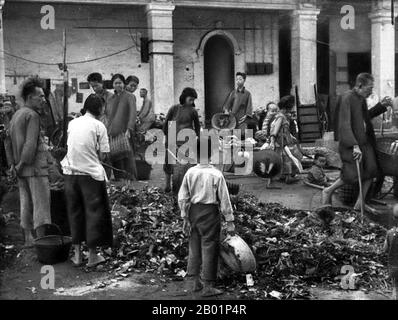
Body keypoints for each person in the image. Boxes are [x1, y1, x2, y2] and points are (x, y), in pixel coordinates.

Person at [322, 73, 392, 213]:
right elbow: (344, 124)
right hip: (351, 144)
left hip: (364, 142)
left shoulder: (360, 99)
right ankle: (327, 191)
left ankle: (360, 203)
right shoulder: (347, 98)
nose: (371, 91)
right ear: (360, 85)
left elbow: (365, 118)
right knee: (351, 174)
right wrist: (354, 145)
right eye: (369, 88)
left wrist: (381, 106)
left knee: (371, 170)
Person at [178, 137, 235, 297]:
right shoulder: (216, 174)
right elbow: (225, 199)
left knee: (194, 246)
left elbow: (183, 197)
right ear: (212, 154)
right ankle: (208, 285)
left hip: (194, 212)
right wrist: (230, 221)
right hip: (210, 213)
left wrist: (184, 216)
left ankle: (193, 281)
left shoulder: (190, 172)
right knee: (210, 247)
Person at [61, 94, 113, 267]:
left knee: (74, 212)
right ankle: (92, 256)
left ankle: (76, 255)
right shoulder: (99, 125)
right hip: (90, 176)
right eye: (103, 107)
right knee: (93, 214)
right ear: (99, 108)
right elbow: (103, 155)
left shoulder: (73, 122)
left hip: (69, 173)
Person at [4, 77, 51, 246]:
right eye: (41, 97)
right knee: (41, 205)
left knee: (25, 202)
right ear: (30, 97)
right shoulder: (32, 116)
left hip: (20, 169)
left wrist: (13, 165)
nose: (44, 100)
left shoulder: (16, 114)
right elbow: (30, 144)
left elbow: (7, 141)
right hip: (34, 168)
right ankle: (42, 241)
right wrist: (22, 164)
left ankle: (28, 239)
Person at [163, 87, 201, 192]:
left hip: (187, 141)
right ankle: (167, 185)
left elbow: (197, 126)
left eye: (193, 100)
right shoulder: (174, 108)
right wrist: (166, 136)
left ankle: (184, 186)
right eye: (190, 99)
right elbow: (166, 123)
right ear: (184, 97)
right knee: (168, 163)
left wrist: (198, 138)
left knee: (185, 164)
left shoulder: (193, 111)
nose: (192, 102)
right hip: (172, 138)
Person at [107, 74, 137, 181]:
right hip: (112, 132)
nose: (118, 85)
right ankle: (120, 182)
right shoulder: (111, 98)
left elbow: (133, 114)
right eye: (116, 83)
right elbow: (108, 116)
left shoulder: (130, 96)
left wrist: (129, 129)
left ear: (124, 84)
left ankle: (130, 182)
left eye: (120, 82)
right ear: (113, 85)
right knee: (115, 158)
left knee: (127, 158)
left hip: (125, 132)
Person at [269, 102, 300, 184]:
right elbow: (275, 131)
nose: (289, 111)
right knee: (287, 157)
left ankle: (283, 175)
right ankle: (288, 177)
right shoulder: (281, 117)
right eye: (289, 109)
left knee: (285, 157)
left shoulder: (279, 117)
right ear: (285, 109)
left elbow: (284, 129)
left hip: (284, 139)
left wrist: (292, 137)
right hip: (282, 141)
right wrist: (272, 141)